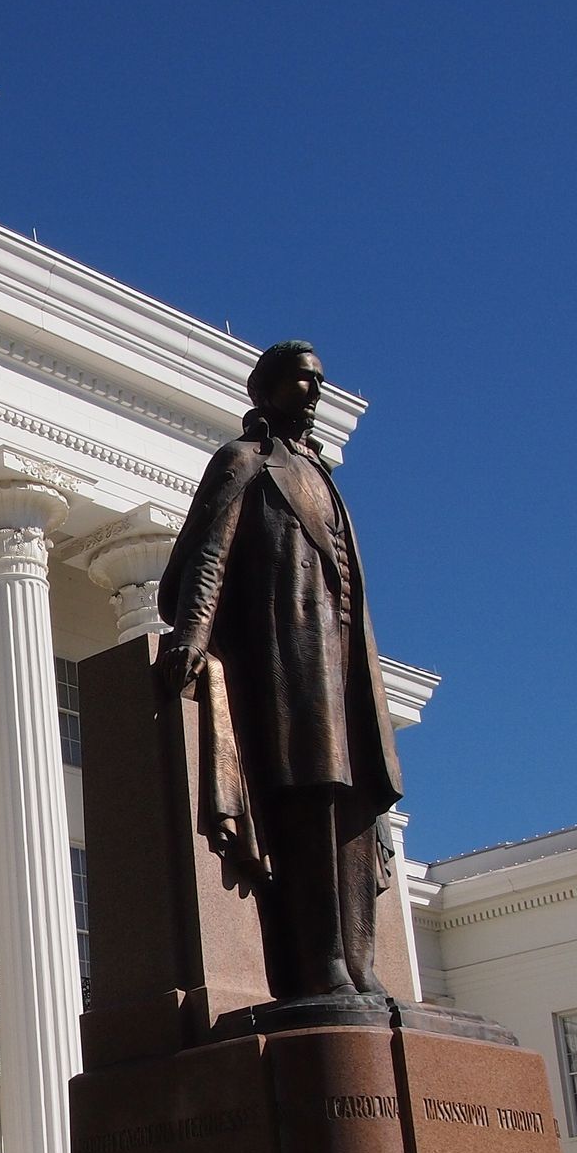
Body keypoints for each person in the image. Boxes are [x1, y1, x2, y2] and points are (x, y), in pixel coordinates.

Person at [154, 341, 402, 1004]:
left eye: (319, 379)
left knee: (354, 806)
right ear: (263, 391)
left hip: (344, 664)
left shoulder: (323, 476)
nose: (314, 391)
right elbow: (208, 553)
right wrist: (195, 632)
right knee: (312, 803)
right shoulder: (245, 462)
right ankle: (322, 964)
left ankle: (360, 961)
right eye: (300, 379)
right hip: (289, 657)